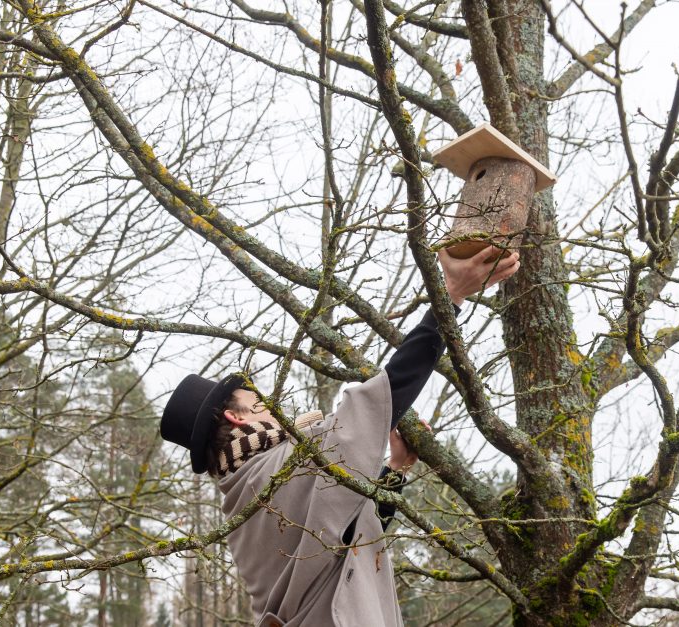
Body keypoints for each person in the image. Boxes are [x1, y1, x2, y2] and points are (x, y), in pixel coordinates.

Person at [160, 248, 520, 627]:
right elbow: (379, 398)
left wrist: (395, 469)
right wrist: (451, 295)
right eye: (259, 401)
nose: (271, 405)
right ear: (237, 418)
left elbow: (351, 538)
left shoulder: (239, 513)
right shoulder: (289, 465)